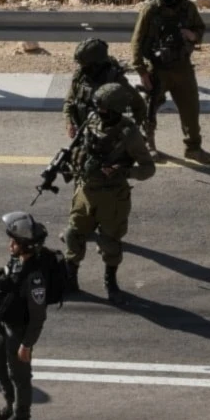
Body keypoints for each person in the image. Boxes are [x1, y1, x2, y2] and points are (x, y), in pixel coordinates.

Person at [62, 83, 157, 305]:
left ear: (114, 109)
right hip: (85, 191)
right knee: (73, 234)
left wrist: (123, 171)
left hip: (112, 197)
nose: (98, 111)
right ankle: (70, 277)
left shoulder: (129, 134)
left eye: (102, 108)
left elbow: (148, 168)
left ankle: (110, 280)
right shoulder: (91, 121)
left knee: (110, 242)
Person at [130, 0, 210, 164]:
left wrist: (192, 35)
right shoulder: (150, 9)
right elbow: (137, 40)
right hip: (157, 69)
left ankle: (193, 148)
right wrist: (141, 70)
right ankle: (148, 147)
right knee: (149, 110)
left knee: (191, 110)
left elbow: (200, 29)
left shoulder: (188, 8)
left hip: (182, 68)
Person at [0, 212, 49, 420]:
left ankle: (21, 419)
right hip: (6, 324)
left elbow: (38, 316)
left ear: (25, 245)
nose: (9, 244)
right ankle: (11, 404)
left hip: (21, 331)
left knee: (20, 377)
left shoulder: (35, 278)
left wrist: (27, 344)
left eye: (14, 241)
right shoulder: (17, 261)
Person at [63, 38, 146, 139]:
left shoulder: (115, 79)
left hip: (109, 138)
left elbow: (139, 105)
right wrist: (69, 123)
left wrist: (131, 131)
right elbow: (69, 101)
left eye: (86, 65)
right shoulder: (80, 76)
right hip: (84, 134)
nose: (82, 68)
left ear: (97, 64)